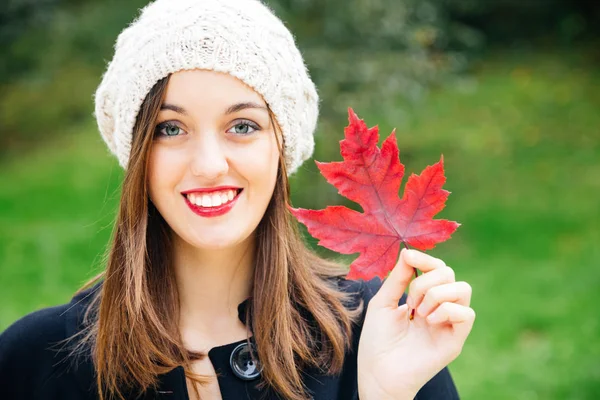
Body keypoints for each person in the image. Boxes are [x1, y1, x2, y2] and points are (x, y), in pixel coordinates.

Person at [0, 0, 475, 399]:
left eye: (242, 126)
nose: (208, 163)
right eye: (170, 129)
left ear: (280, 146)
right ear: (138, 153)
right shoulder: (34, 359)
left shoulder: (382, 332)